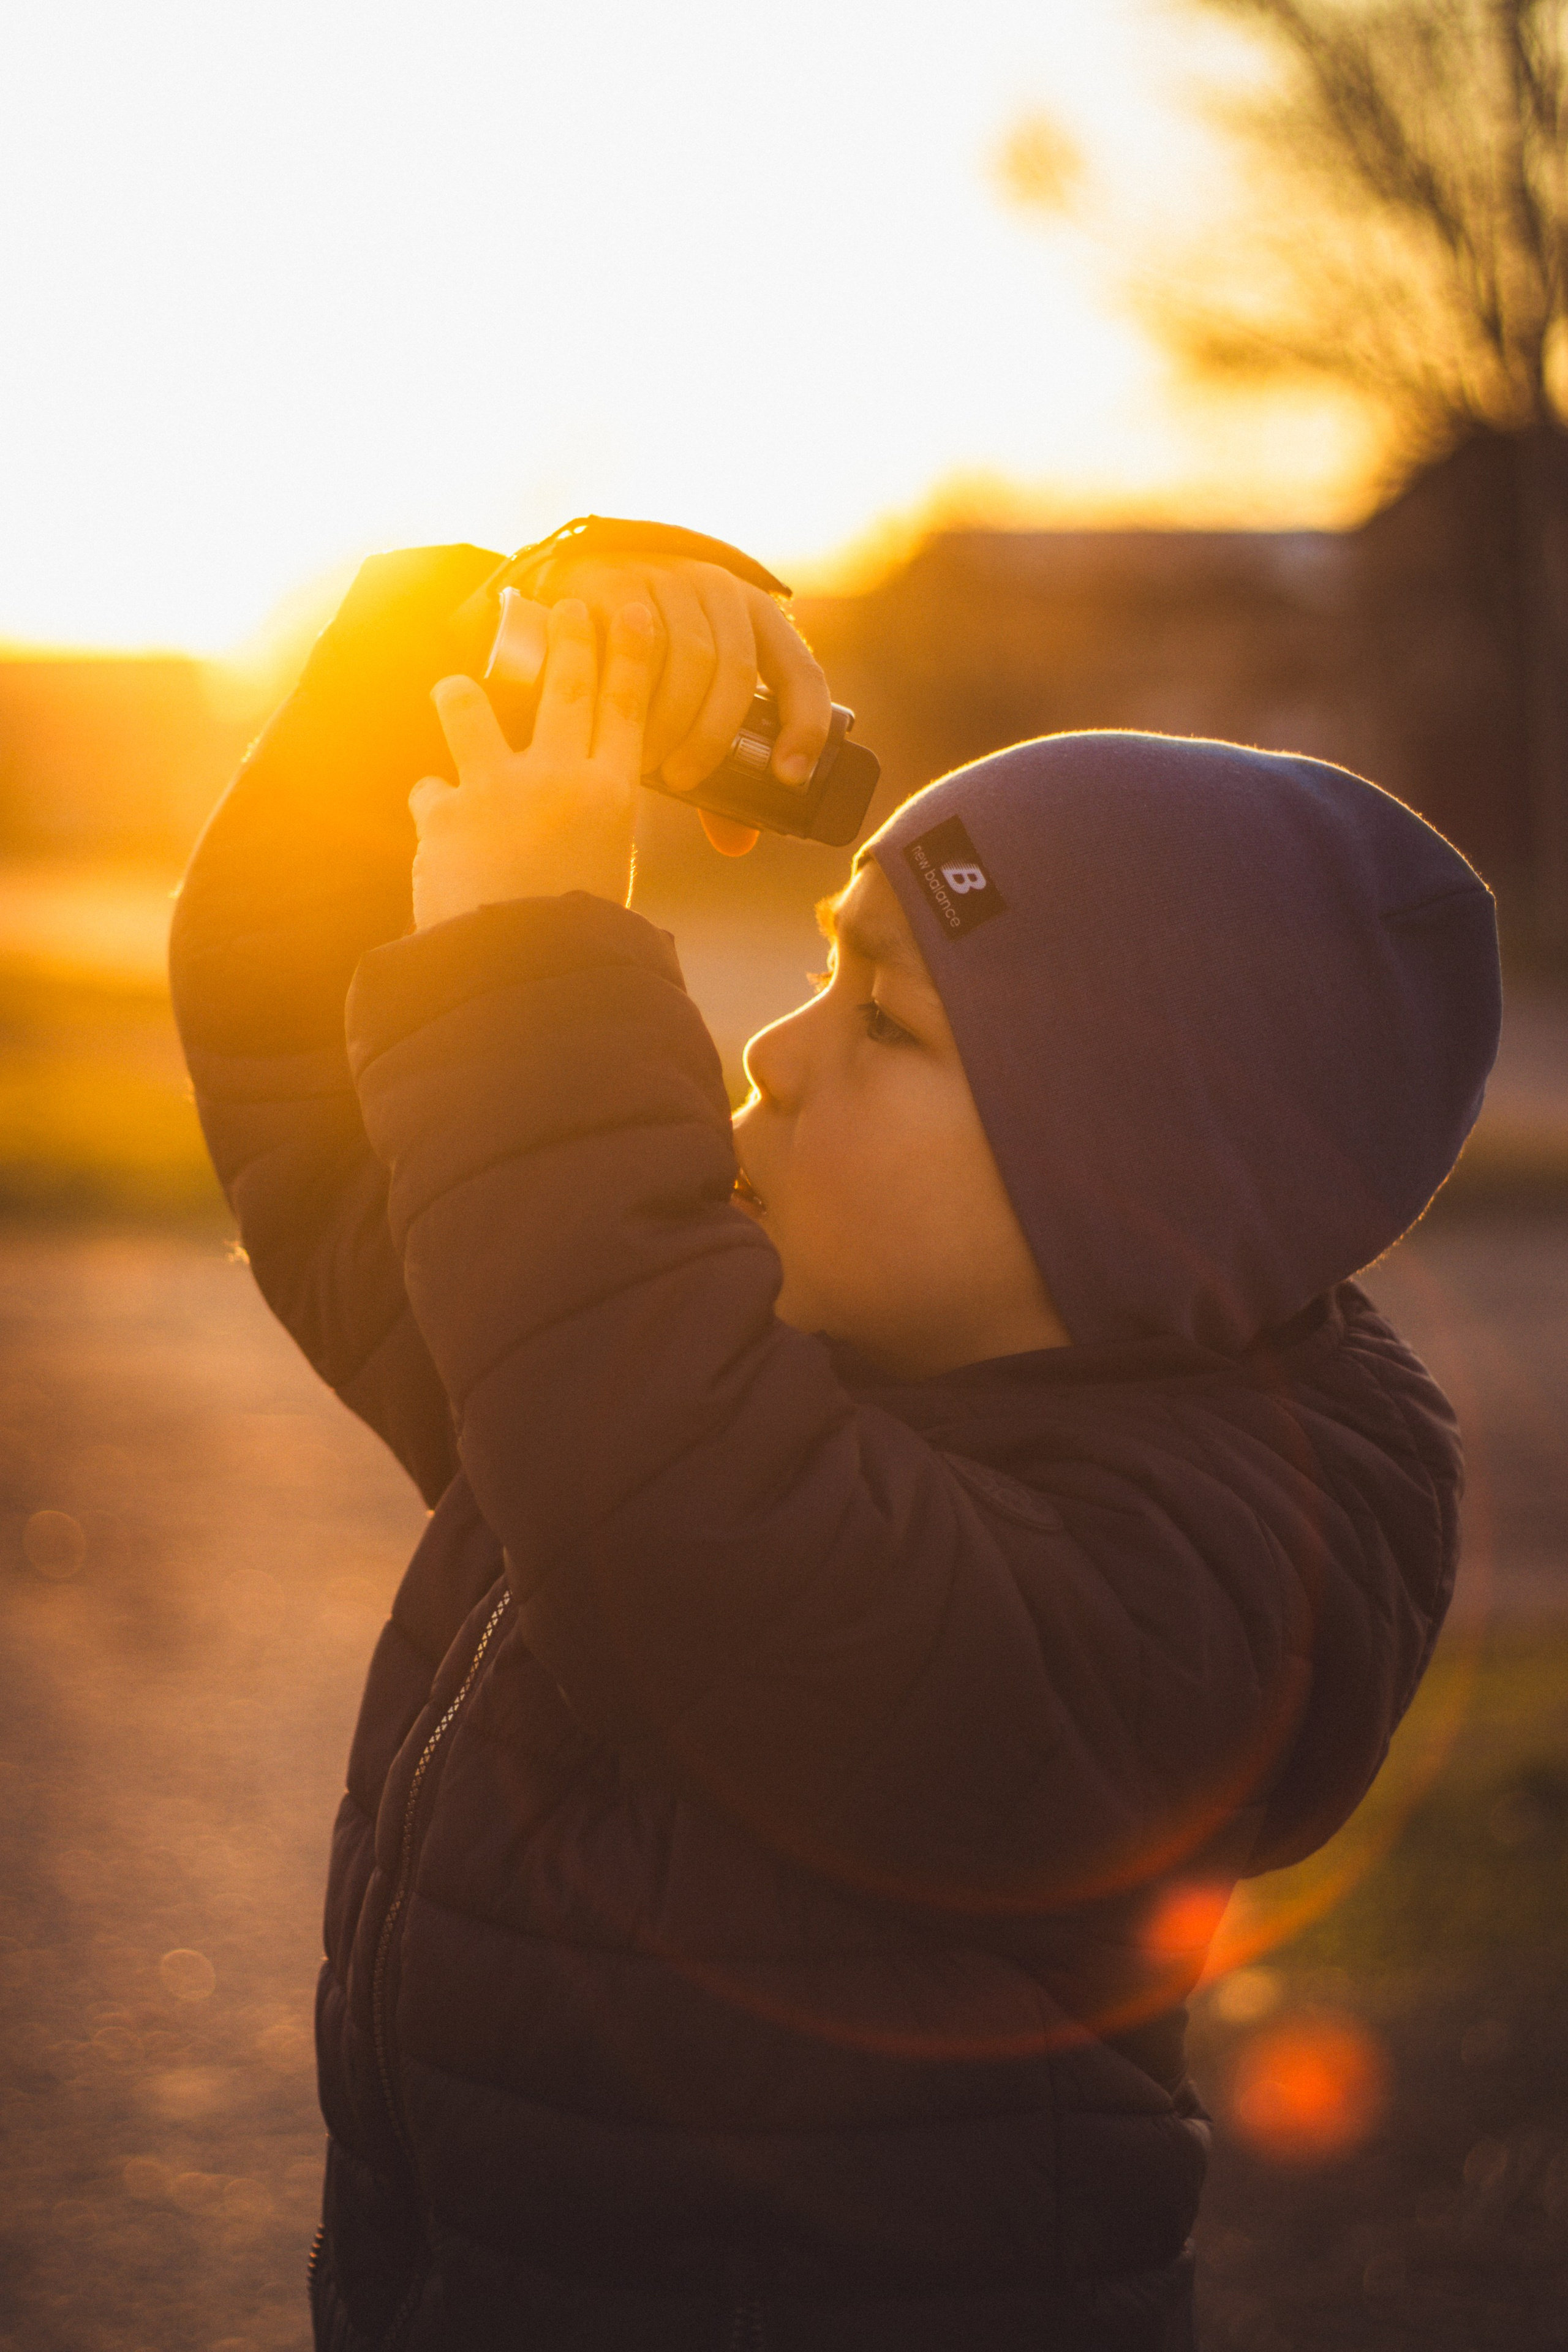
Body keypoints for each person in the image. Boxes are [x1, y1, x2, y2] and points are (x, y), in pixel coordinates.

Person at [168, 518, 1501, 2352]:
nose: (774, 1054)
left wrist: (538, 976)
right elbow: (324, 1092)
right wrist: (483, 653)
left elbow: (718, 1551)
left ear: (1123, 1197)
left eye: (883, 1015)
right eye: (819, 968)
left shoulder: (1179, 1591)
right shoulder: (658, 1355)